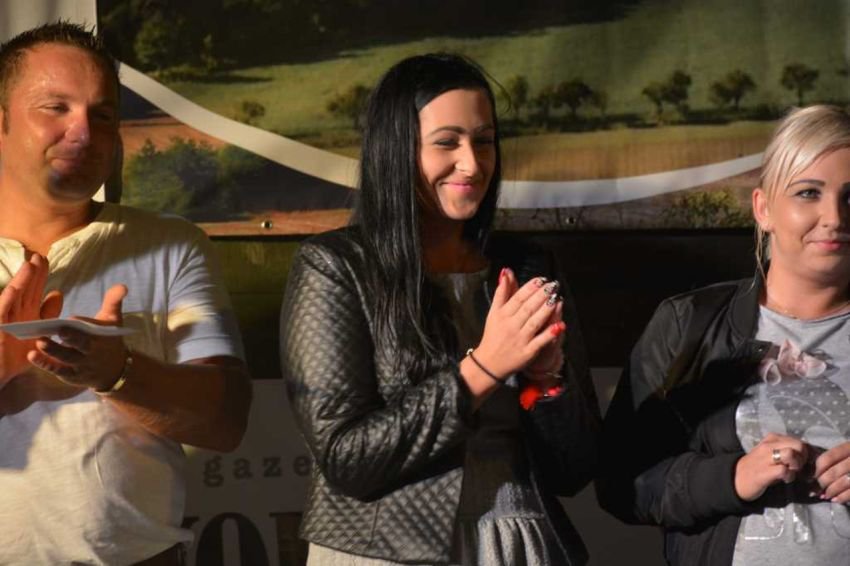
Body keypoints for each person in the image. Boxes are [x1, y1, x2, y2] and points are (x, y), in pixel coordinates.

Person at [280, 53, 600, 566]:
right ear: (396, 150)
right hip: (385, 552)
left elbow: (575, 469)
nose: (472, 163)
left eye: (484, 141)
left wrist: (546, 382)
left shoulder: (529, 266)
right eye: (447, 142)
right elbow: (346, 458)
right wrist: (484, 368)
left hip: (520, 541)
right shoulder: (336, 266)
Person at [0, 22, 251, 565]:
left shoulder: (172, 245)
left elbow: (227, 420)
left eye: (103, 115)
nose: (83, 132)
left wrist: (118, 372)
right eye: (56, 108)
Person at [596, 104, 850, 565]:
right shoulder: (688, 323)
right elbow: (622, 484)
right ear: (764, 208)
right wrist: (733, 477)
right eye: (808, 193)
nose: (834, 216)